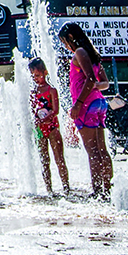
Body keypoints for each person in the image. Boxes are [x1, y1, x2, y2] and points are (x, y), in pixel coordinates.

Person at [62, 23, 112, 199]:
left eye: (65, 42)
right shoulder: (92, 54)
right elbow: (104, 83)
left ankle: (98, 191)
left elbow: (90, 79)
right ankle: (108, 189)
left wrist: (78, 103)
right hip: (99, 103)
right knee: (101, 149)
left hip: (86, 106)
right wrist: (94, 87)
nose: (66, 47)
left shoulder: (80, 52)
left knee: (92, 150)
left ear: (70, 38)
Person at [28, 58, 69, 195]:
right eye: (34, 76)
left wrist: (45, 118)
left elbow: (56, 110)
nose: (36, 79)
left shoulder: (51, 90)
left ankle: (66, 187)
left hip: (52, 127)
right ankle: (49, 189)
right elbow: (32, 110)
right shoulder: (33, 92)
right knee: (44, 160)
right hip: (40, 129)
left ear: (45, 73)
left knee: (59, 158)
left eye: (39, 76)